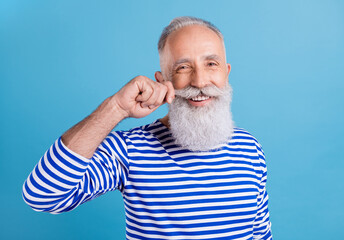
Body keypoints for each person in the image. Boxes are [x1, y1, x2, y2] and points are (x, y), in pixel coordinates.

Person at [22, 16, 272, 240]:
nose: (199, 81)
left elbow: (261, 234)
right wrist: (116, 108)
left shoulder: (250, 148)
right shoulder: (130, 150)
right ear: (163, 81)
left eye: (211, 64)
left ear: (226, 73)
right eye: (183, 67)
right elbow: (43, 196)